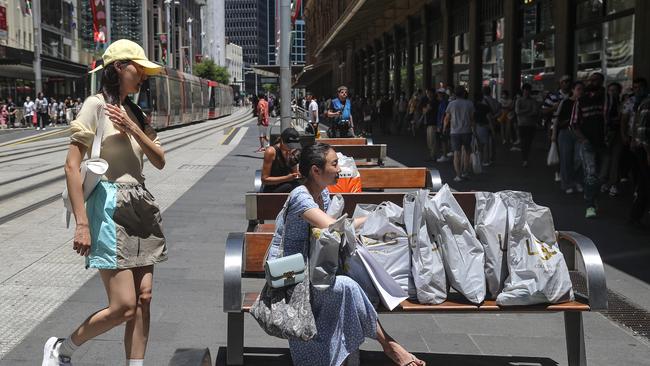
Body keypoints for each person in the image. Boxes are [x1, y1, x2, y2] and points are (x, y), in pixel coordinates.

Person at [42, 39, 167, 366]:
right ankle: (62, 348)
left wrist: (133, 129)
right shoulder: (95, 105)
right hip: (109, 205)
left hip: (141, 202)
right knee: (124, 305)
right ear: (118, 68)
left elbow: (160, 160)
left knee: (145, 298)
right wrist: (82, 224)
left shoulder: (136, 111)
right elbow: (71, 165)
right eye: (137, 68)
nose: (143, 75)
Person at [266, 142, 426, 366]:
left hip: (310, 271)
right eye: (334, 163)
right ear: (316, 170)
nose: (339, 168)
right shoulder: (300, 197)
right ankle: (390, 346)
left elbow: (337, 230)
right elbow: (333, 227)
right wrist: (370, 219)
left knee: (348, 287)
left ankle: (340, 356)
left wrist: (379, 217)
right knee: (347, 287)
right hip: (290, 277)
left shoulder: (321, 195)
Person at [572, 72, 606, 219]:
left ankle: (593, 198)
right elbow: (573, 124)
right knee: (591, 174)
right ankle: (590, 205)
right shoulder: (581, 101)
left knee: (602, 175)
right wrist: (584, 140)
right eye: (591, 80)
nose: (593, 82)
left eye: (597, 80)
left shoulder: (607, 99)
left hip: (604, 143)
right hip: (588, 143)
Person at [623, 77, 650, 225]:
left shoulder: (643, 103)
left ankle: (635, 215)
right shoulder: (645, 103)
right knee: (645, 182)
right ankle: (635, 215)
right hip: (644, 148)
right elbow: (641, 130)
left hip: (641, 147)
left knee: (644, 182)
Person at [553, 81, 584, 195]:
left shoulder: (583, 102)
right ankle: (567, 183)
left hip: (579, 133)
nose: (580, 91)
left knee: (579, 158)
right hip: (566, 132)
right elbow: (557, 119)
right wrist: (553, 136)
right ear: (573, 90)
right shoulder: (565, 102)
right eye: (578, 89)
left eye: (582, 89)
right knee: (566, 159)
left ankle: (576, 180)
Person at [444, 86, 475, 182]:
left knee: (456, 153)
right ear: (464, 93)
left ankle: (458, 175)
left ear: (455, 94)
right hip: (467, 131)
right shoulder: (469, 103)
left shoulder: (451, 104)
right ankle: (465, 172)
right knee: (467, 152)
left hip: (455, 132)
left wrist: (444, 128)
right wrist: (474, 130)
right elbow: (472, 119)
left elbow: (447, 118)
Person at [600, 82, 623, 197]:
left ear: (619, 91)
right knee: (606, 158)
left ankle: (613, 183)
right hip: (607, 134)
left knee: (616, 158)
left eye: (615, 90)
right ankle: (605, 182)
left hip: (618, 134)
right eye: (610, 90)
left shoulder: (622, 103)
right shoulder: (605, 103)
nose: (612, 92)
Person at [261, 127, 302, 193]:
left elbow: (295, 173)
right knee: (293, 187)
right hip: (273, 188)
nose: (292, 147)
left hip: (290, 185)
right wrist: (287, 178)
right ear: (282, 141)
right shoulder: (271, 152)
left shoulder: (293, 151)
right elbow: (264, 179)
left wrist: (293, 160)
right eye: (289, 145)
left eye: (294, 145)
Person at [515, 83, 540, 167]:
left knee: (528, 142)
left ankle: (526, 157)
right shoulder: (519, 100)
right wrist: (528, 110)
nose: (526, 92)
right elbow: (517, 111)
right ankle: (524, 159)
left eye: (528, 91)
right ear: (523, 91)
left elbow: (535, 112)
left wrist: (524, 112)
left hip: (531, 125)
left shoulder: (533, 101)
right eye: (525, 90)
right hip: (521, 124)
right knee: (523, 142)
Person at [474, 91, 493, 167]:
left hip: (474, 126)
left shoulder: (472, 106)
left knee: (477, 145)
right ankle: (485, 161)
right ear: (482, 98)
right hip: (483, 126)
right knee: (485, 144)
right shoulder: (485, 107)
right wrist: (493, 130)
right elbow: (489, 118)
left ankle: (479, 160)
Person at [423, 88, 438, 161]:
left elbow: (426, 110)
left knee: (432, 141)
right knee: (429, 141)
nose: (427, 94)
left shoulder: (433, 101)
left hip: (433, 123)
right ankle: (431, 155)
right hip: (429, 123)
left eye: (428, 93)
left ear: (432, 93)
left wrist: (425, 109)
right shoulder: (430, 101)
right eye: (427, 93)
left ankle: (433, 156)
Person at [435, 89, 451, 162]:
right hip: (444, 124)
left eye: (438, 94)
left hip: (443, 124)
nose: (437, 95)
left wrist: (440, 125)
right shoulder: (443, 102)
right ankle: (446, 154)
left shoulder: (444, 103)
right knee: (445, 139)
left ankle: (445, 155)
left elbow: (444, 115)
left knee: (444, 140)